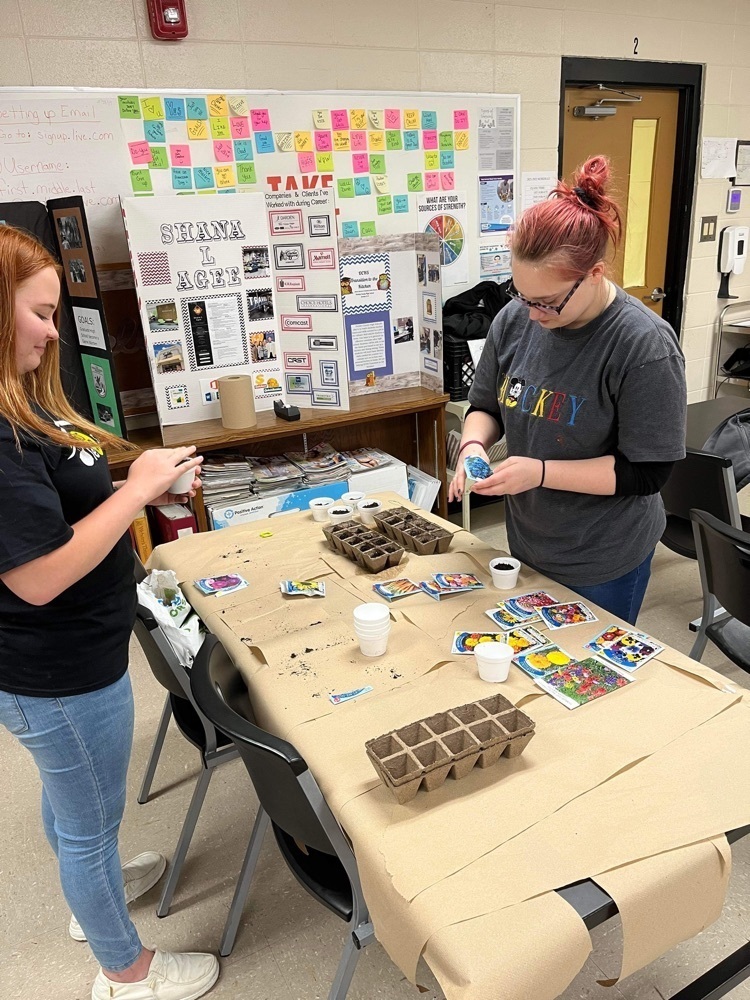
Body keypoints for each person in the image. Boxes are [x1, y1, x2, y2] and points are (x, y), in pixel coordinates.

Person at [0, 226, 219, 1000]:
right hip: (56, 672)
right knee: (88, 818)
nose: (55, 331)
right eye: (41, 313)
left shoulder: (21, 402)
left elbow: (61, 508)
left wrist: (138, 487)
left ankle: (86, 887)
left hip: (69, 660)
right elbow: (38, 575)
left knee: (78, 803)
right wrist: (133, 490)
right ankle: (126, 971)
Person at [449, 156, 686, 624]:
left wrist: (538, 472)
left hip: (602, 556)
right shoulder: (516, 317)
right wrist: (473, 443)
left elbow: (648, 474)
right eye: (521, 295)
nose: (533, 315)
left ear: (594, 274)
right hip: (530, 538)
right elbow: (486, 404)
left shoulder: (644, 347)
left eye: (548, 303)